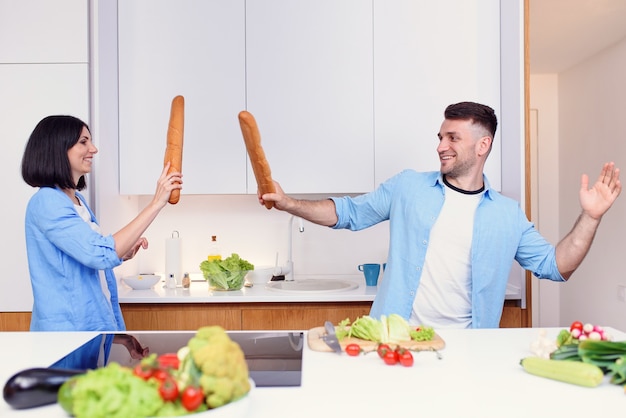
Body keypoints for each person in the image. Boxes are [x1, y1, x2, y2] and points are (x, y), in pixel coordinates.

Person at [258, 101, 622, 329]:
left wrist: (590, 217)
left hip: (467, 349)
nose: (440, 146)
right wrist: (290, 203)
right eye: (440, 136)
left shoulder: (507, 215)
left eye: (452, 138)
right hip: (395, 340)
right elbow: (347, 213)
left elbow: (556, 266)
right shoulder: (407, 188)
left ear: (483, 146)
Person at [21, 115, 182, 331]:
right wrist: (155, 203)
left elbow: (87, 253)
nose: (94, 149)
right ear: (58, 148)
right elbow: (99, 254)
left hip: (92, 326)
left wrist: (122, 251)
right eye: (83, 142)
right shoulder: (47, 202)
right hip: (67, 334)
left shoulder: (77, 200)